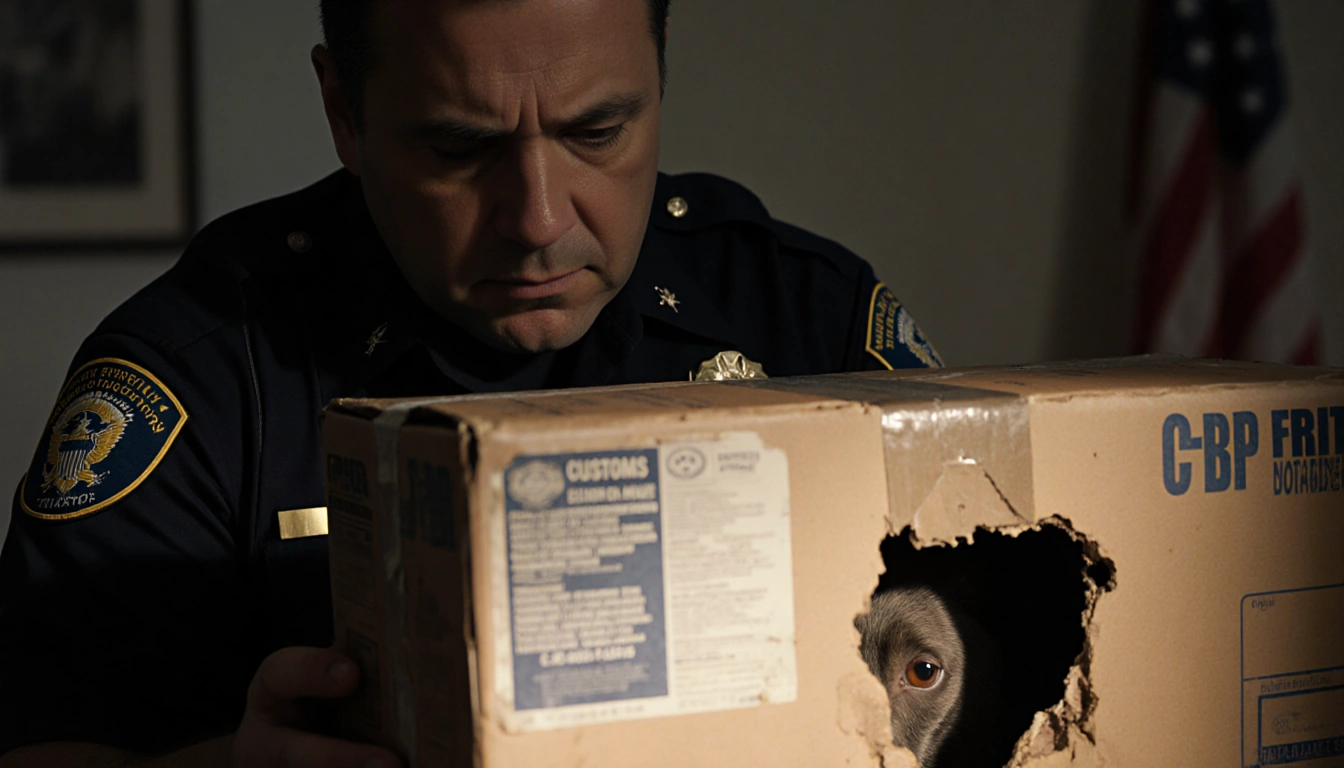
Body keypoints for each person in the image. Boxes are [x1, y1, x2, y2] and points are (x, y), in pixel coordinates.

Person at [0, 0, 942, 765]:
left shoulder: (811, 321)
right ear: (344, 113)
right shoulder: (196, 379)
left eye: (598, 130)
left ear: (663, 73)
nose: (536, 219)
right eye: (458, 149)